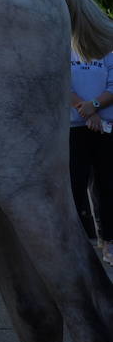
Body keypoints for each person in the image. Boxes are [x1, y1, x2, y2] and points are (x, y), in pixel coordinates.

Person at [69, 49, 113, 263]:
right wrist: (86, 111)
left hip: (106, 128)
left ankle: (109, 240)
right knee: (74, 185)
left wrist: (93, 106)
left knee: (107, 186)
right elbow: (63, 85)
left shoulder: (108, 49)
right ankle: (77, 242)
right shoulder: (66, 48)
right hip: (73, 128)